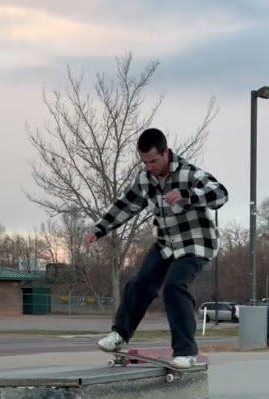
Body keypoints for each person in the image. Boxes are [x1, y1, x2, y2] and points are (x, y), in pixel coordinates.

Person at [84, 128, 228, 368]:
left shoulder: (189, 173)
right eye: (145, 162)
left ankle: (186, 352)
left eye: (153, 161)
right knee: (141, 282)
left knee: (174, 287)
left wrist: (187, 194)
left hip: (196, 245)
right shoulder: (145, 181)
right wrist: (98, 230)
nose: (150, 166)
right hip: (165, 245)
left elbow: (220, 194)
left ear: (166, 153)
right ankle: (119, 334)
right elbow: (125, 206)